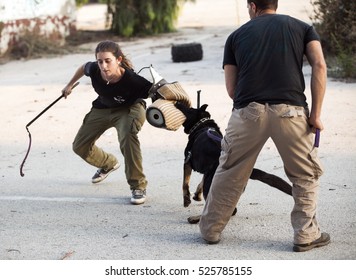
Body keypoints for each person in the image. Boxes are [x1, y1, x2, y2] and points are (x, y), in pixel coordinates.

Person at [199, 0, 330, 252]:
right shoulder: (303, 28)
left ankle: (211, 230)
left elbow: (231, 89)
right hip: (290, 112)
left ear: (252, 5)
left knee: (229, 171)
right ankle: (305, 235)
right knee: (305, 174)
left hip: (248, 113)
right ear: (275, 4)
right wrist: (315, 115)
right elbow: (320, 66)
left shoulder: (236, 36)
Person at [62, 40, 152, 205]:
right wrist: (68, 85)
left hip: (129, 109)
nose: (103, 65)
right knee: (79, 146)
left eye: (108, 61)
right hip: (103, 108)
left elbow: (158, 93)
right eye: (100, 61)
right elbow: (84, 67)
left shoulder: (133, 80)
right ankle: (108, 163)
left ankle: (138, 185)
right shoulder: (95, 69)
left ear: (118, 60)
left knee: (127, 135)